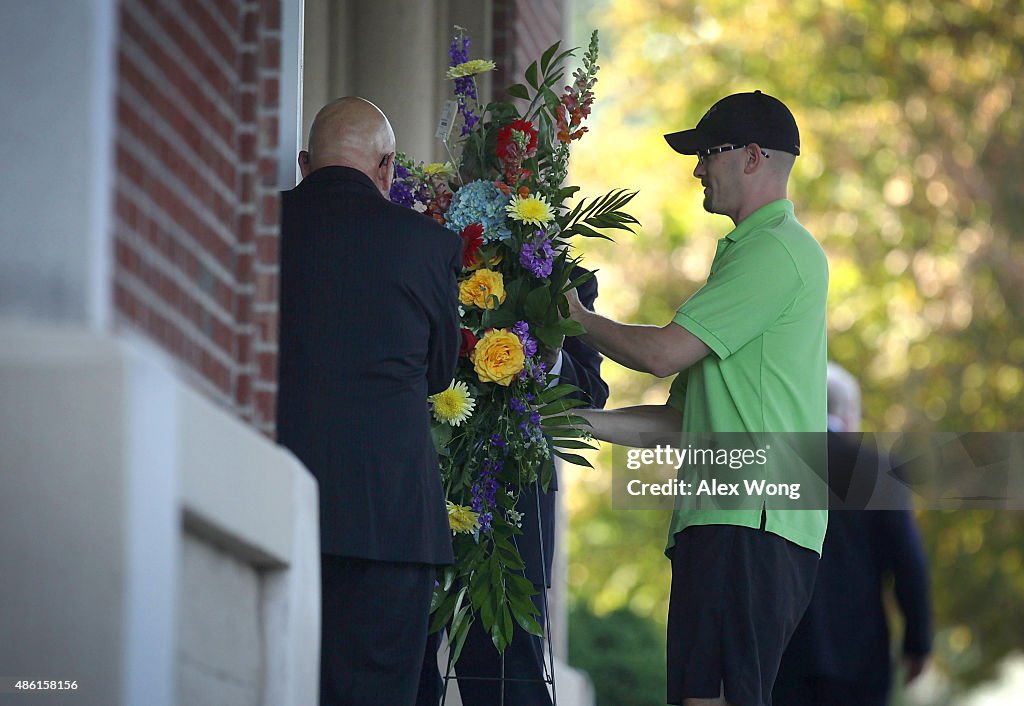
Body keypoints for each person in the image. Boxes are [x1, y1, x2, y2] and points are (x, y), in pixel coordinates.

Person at [567, 91, 829, 706]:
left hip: (748, 519)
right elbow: (677, 422)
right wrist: (571, 421)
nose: (696, 170)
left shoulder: (775, 253)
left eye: (706, 154)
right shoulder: (752, 258)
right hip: (735, 521)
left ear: (753, 157)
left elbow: (660, 355)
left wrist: (573, 317)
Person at [276, 96, 462, 706]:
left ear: (305, 163)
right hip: (391, 514)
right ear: (386, 169)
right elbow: (440, 374)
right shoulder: (428, 245)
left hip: (276, 493)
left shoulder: (257, 223)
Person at [415, 271, 608, 705]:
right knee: (400, 680)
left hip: (509, 524)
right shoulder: (413, 243)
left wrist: (550, 352)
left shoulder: (563, 279)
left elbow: (589, 402)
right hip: (410, 496)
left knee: (507, 688)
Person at [773, 362, 932, 706]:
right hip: (859, 654)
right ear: (848, 413)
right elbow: (909, 563)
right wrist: (917, 644)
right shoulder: (877, 468)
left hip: (780, 655)